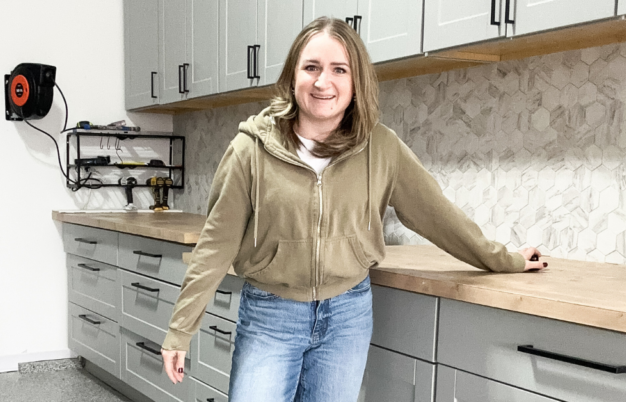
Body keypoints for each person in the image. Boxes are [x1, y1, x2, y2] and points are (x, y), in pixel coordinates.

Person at [160, 17, 547, 402]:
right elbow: (216, 244)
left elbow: (439, 216)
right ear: (292, 76)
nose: (322, 81)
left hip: (347, 315)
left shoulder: (381, 147)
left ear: (356, 81)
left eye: (338, 69)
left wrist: (504, 259)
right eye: (311, 67)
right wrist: (181, 329)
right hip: (270, 316)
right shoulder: (250, 150)